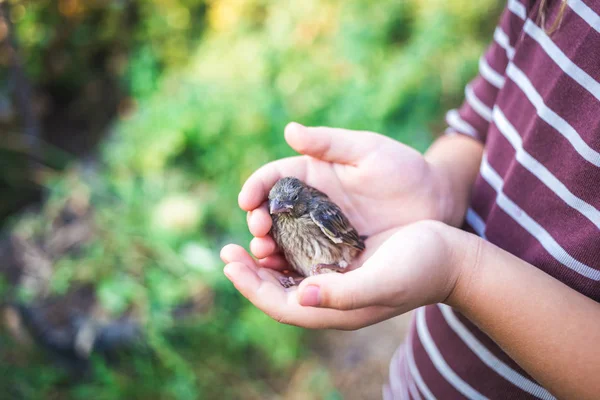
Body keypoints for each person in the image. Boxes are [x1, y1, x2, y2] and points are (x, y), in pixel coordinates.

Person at [220, 0, 600, 398]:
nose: (277, 213)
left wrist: (461, 271)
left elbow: (354, 242)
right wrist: (437, 186)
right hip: (415, 380)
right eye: (276, 210)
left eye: (284, 207)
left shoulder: (317, 212)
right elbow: (478, 122)